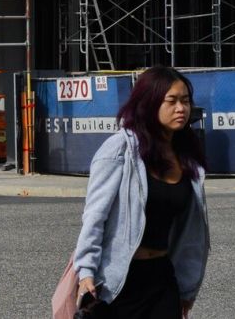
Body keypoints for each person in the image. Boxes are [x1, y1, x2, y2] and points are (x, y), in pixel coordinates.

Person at [72, 66, 210, 317]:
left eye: (185, 101)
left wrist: (187, 289)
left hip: (162, 278)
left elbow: (191, 235)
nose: (181, 108)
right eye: (172, 101)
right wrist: (86, 272)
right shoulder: (119, 150)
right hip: (118, 280)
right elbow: (95, 216)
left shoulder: (189, 159)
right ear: (149, 103)